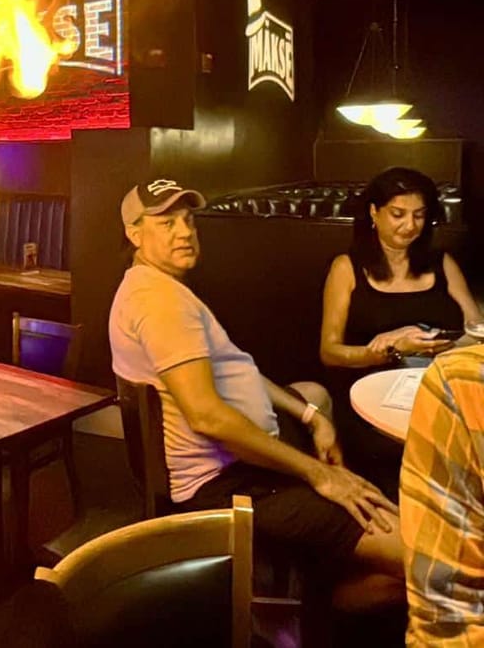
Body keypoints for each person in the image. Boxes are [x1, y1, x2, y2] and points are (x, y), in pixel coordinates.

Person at [109, 178, 405, 611]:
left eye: (189, 220)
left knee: (315, 398)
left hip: (243, 466)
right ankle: (317, 608)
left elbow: (237, 369)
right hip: (228, 482)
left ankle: (319, 591)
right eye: (167, 222)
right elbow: (209, 417)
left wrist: (309, 415)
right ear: (135, 234)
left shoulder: (154, 287)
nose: (185, 232)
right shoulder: (161, 303)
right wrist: (318, 474)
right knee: (437, 554)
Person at [319, 167, 481, 496]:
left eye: (419, 216)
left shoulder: (442, 262)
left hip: (437, 391)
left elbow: (475, 331)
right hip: (369, 400)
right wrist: (391, 347)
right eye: (398, 214)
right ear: (373, 213)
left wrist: (436, 341)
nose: (410, 226)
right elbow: (329, 351)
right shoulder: (346, 268)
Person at [400, 346, 484, 646]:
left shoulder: (461, 379)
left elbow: (471, 326)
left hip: (437, 441)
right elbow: (331, 352)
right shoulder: (460, 383)